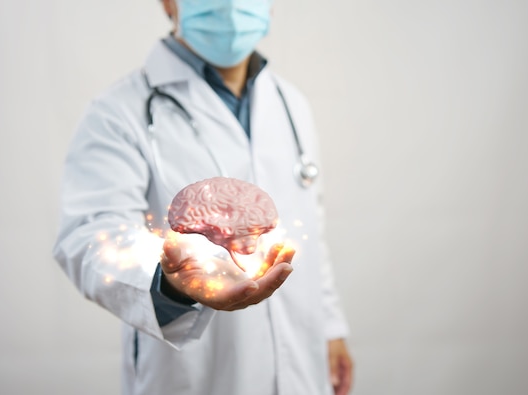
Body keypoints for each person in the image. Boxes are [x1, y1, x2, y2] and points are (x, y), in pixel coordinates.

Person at [53, 0, 353, 394]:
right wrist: (170, 283)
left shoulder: (290, 103)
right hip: (194, 374)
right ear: (169, 3)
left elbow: (310, 227)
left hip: (302, 357)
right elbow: (90, 235)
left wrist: (329, 327)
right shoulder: (118, 112)